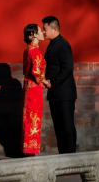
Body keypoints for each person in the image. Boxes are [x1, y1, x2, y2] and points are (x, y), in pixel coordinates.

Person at [40, 16, 77, 154]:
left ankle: (70, 159)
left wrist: (53, 83)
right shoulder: (52, 44)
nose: (43, 32)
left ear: (54, 29)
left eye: (45, 29)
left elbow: (68, 67)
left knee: (67, 128)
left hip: (64, 93)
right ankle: (63, 158)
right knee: (59, 128)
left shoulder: (63, 44)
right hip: (55, 93)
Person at [21, 23, 46, 155]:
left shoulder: (27, 50)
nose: (43, 32)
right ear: (33, 35)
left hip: (27, 87)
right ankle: (31, 149)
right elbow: (36, 72)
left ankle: (27, 148)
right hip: (35, 89)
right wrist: (45, 81)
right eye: (40, 31)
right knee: (34, 117)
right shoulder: (36, 51)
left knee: (28, 117)